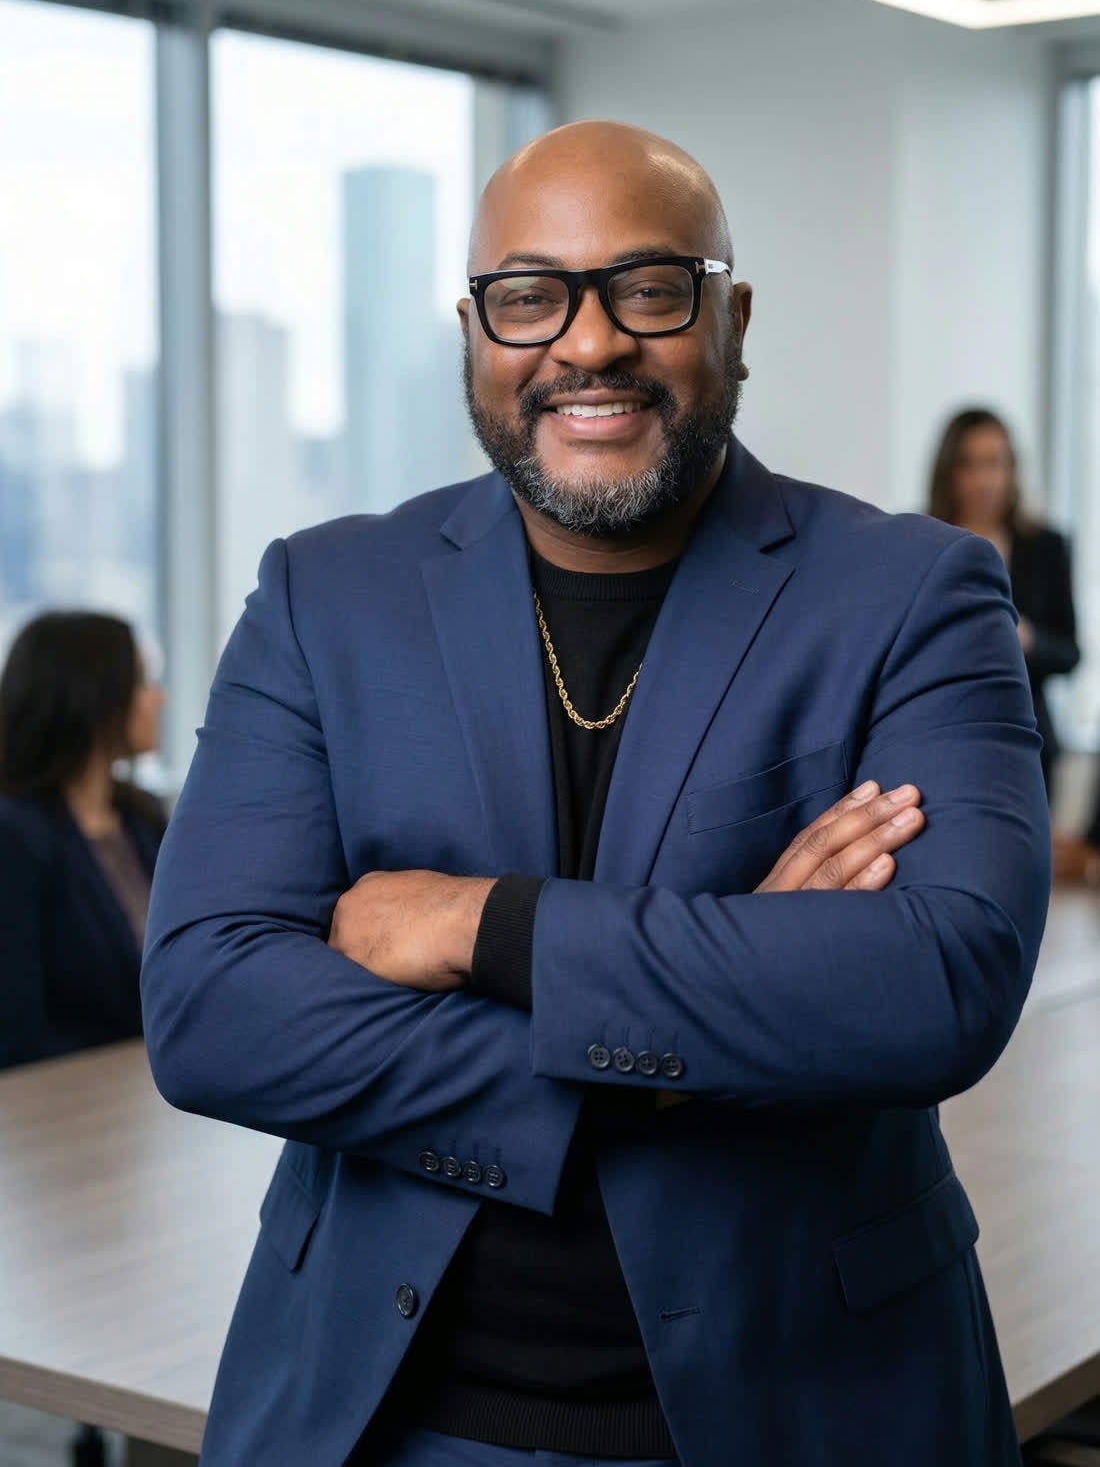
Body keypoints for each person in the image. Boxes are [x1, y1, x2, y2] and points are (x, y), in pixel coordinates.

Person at [141, 121, 1050, 1467]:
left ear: (733, 317)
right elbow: (213, 1008)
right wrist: (684, 1052)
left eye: (648, 286)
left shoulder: (915, 595)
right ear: (476, 330)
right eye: (530, 296)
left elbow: (938, 984)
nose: (587, 344)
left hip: (809, 1401)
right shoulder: (325, 598)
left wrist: (480, 927)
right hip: (392, 1412)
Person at [0, 611, 166, 1070]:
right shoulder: (14, 838)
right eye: (141, 682)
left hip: (154, 1099)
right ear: (92, 698)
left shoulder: (143, 816)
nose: (158, 698)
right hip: (63, 1112)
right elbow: (16, 1037)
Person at [927, 407, 1079, 799]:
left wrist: (1028, 639)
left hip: (1029, 739)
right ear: (949, 473)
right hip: (944, 735)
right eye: (970, 465)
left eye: (996, 463)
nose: (985, 480)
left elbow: (1070, 653)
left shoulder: (1046, 546)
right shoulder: (921, 541)